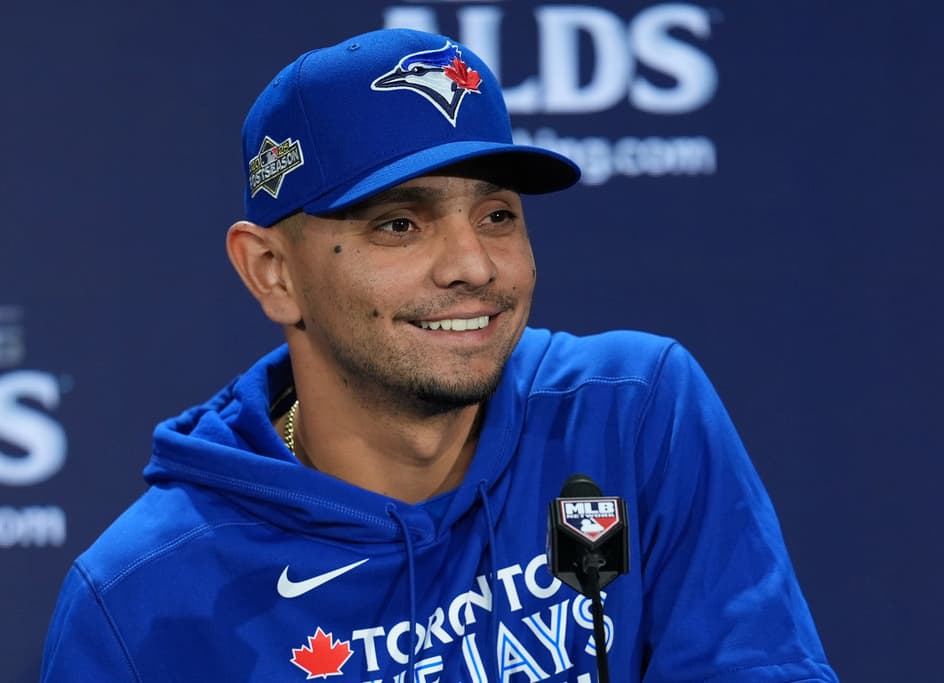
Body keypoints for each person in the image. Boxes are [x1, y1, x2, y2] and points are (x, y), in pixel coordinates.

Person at [41, 28, 838, 682]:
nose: (475, 265)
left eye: (496, 215)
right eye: (400, 224)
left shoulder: (633, 412)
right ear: (272, 272)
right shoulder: (138, 602)